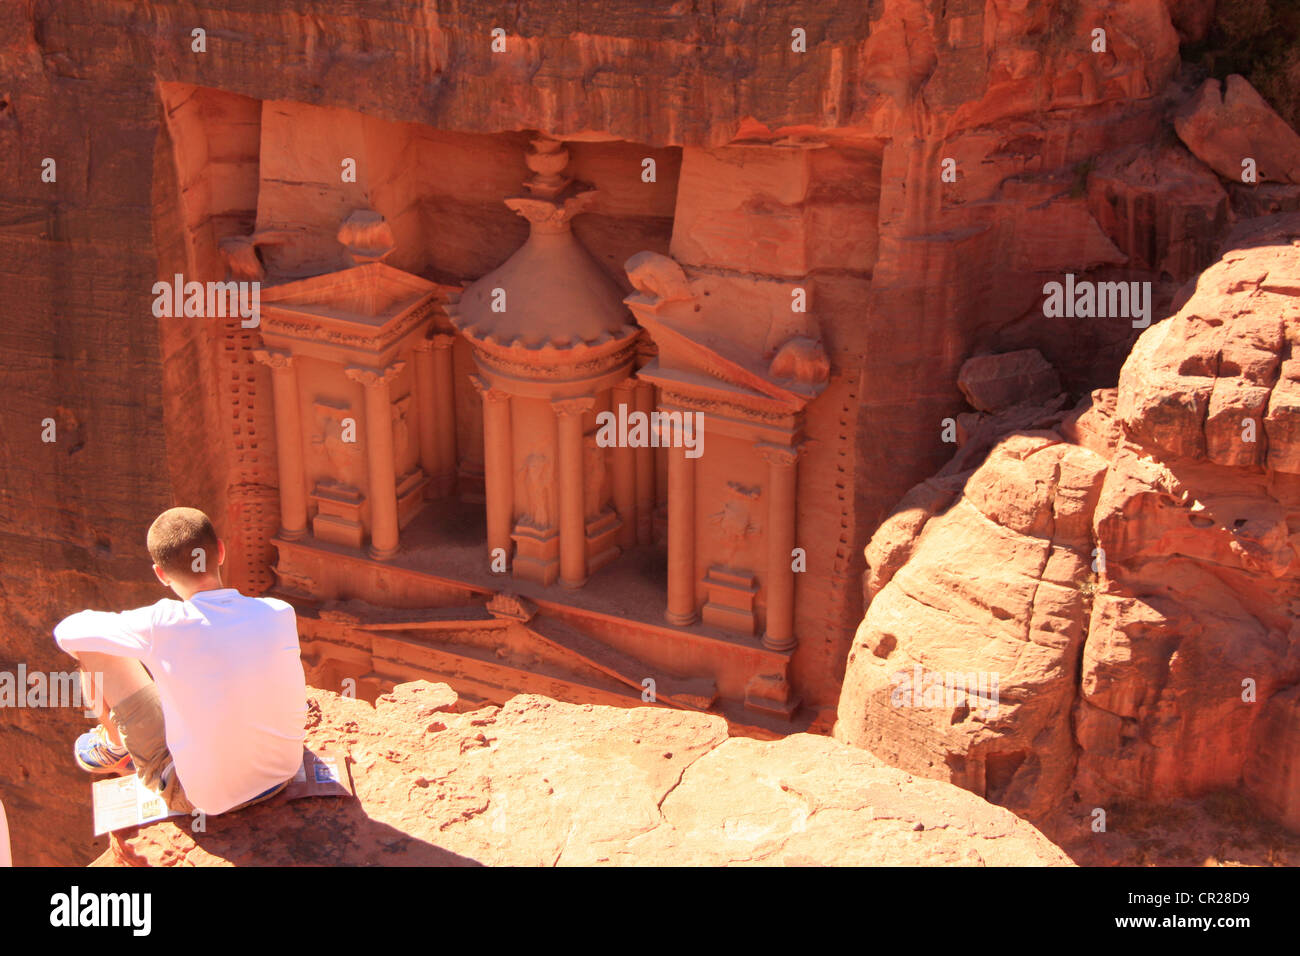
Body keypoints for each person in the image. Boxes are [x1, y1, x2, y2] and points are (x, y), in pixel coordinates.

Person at [53, 507, 306, 816]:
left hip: (205, 799)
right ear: (221, 551)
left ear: (160, 574)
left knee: (92, 648)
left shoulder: (161, 623)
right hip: (282, 777)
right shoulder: (279, 612)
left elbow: (66, 633)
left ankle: (115, 745)